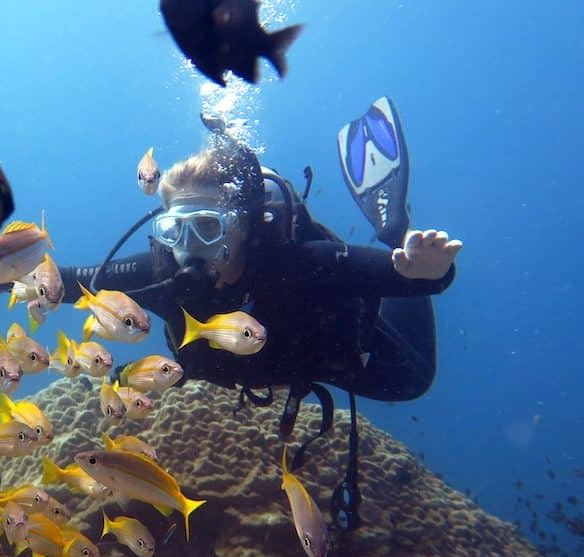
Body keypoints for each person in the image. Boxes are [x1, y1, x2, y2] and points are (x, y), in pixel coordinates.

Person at [57, 97, 462, 531]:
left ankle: (394, 226)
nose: (190, 248)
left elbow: (411, 278)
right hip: (251, 363)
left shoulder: (302, 263)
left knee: (412, 381)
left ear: (242, 227)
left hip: (321, 358)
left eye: (208, 228)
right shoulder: (159, 274)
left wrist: (427, 269)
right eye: (176, 231)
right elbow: (63, 282)